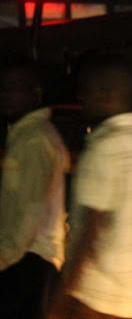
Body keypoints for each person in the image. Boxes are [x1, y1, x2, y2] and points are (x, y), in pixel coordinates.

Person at [49, 54, 132, 319]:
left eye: (86, 89)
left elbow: (88, 233)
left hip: (95, 300)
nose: (80, 97)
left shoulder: (104, 149)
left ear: (107, 95)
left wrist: (60, 299)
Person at [0, 60, 69, 319]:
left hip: (28, 260)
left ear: (35, 92)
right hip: (29, 259)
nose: (5, 93)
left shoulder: (33, 140)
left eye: (14, 86)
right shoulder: (26, 134)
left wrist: (3, 260)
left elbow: (29, 213)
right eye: (3, 86)